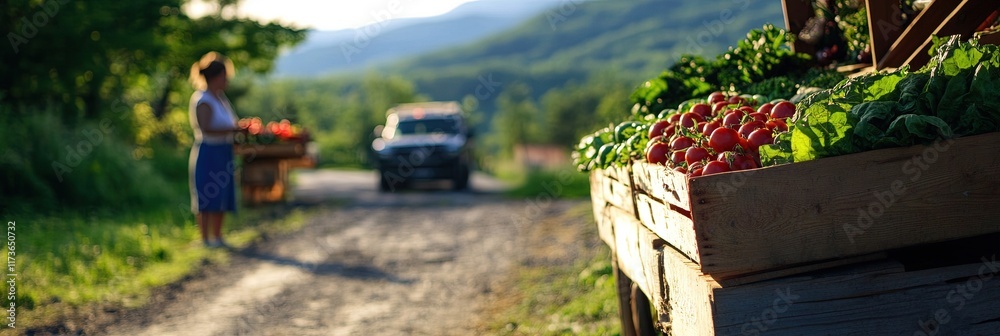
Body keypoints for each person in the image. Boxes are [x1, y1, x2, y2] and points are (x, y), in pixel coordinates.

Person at [188, 52, 240, 248]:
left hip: (224, 150)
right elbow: (206, 128)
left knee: (223, 194)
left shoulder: (221, 99)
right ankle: (205, 239)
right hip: (209, 151)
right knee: (206, 194)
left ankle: (217, 236)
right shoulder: (203, 100)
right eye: (224, 76)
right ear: (216, 77)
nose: (227, 80)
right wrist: (234, 129)